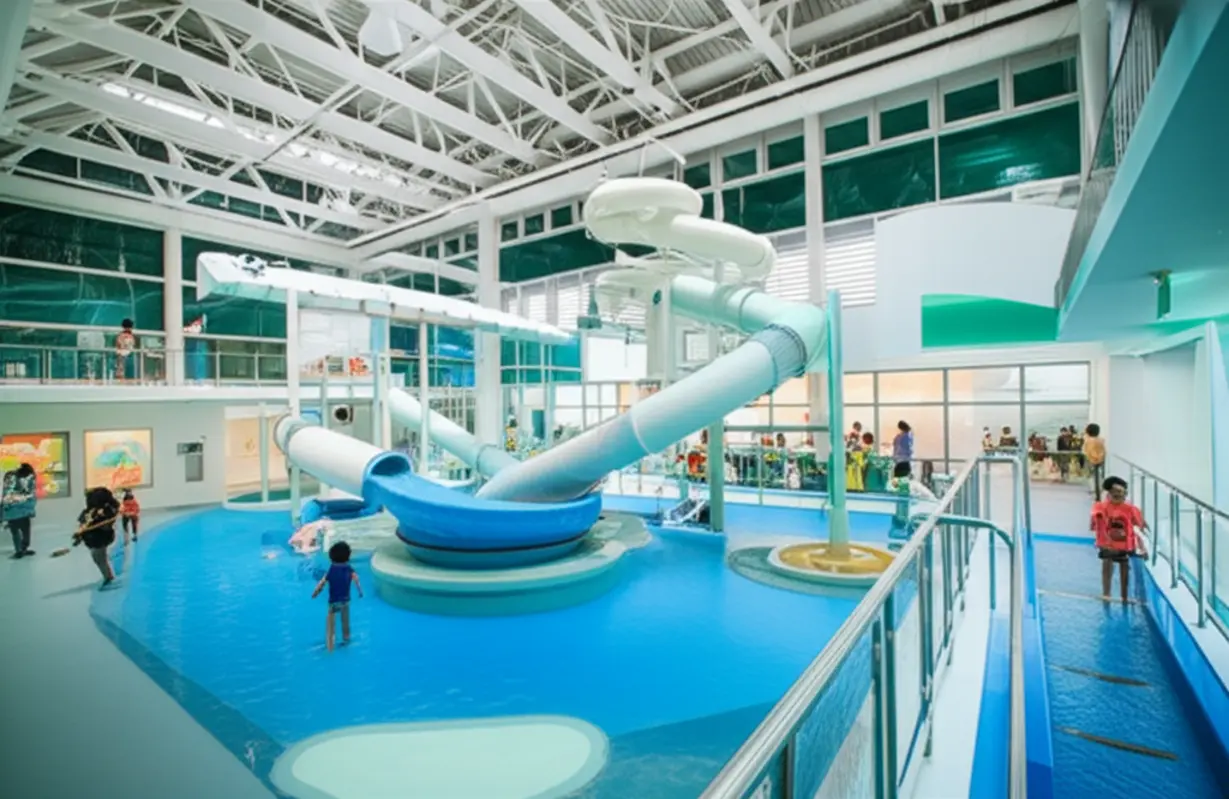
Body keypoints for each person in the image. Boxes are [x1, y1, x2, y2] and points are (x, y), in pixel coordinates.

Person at [1091, 476, 1148, 603]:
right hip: (1110, 544)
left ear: (1124, 494)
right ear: (1109, 493)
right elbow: (1097, 522)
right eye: (1114, 492)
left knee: (1122, 567)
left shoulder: (1130, 509)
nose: (1117, 495)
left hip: (1124, 545)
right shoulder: (1102, 507)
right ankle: (1107, 593)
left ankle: (1123, 596)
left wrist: (1142, 547)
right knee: (1108, 564)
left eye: (1120, 492)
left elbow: (1139, 528)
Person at [312, 541, 364, 652]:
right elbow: (356, 579)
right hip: (345, 602)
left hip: (333, 602)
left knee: (331, 625)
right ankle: (346, 641)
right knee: (345, 622)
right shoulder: (349, 568)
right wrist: (360, 592)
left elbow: (322, 582)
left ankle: (330, 646)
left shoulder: (332, 569)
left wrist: (315, 593)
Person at [75, 487, 119, 586]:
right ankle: (108, 576)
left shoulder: (106, 510)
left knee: (99, 558)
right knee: (98, 558)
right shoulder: (89, 512)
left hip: (100, 539)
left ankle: (108, 578)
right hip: (92, 538)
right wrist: (80, 535)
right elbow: (83, 524)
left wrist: (104, 523)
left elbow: (108, 523)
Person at [3, 463, 37, 558]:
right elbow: (7, 495)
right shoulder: (11, 477)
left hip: (24, 511)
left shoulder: (28, 479)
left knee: (25, 531)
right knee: (16, 532)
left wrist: (31, 509)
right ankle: (19, 551)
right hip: (13, 511)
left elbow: (31, 495)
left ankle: (23, 549)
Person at [1083, 423, 1106, 500]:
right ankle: (1098, 495)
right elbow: (1103, 451)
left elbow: (1089, 452)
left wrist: (1094, 459)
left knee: (1093, 478)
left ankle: (1096, 495)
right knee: (1099, 478)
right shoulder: (1101, 440)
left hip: (1092, 461)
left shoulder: (1089, 441)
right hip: (1100, 461)